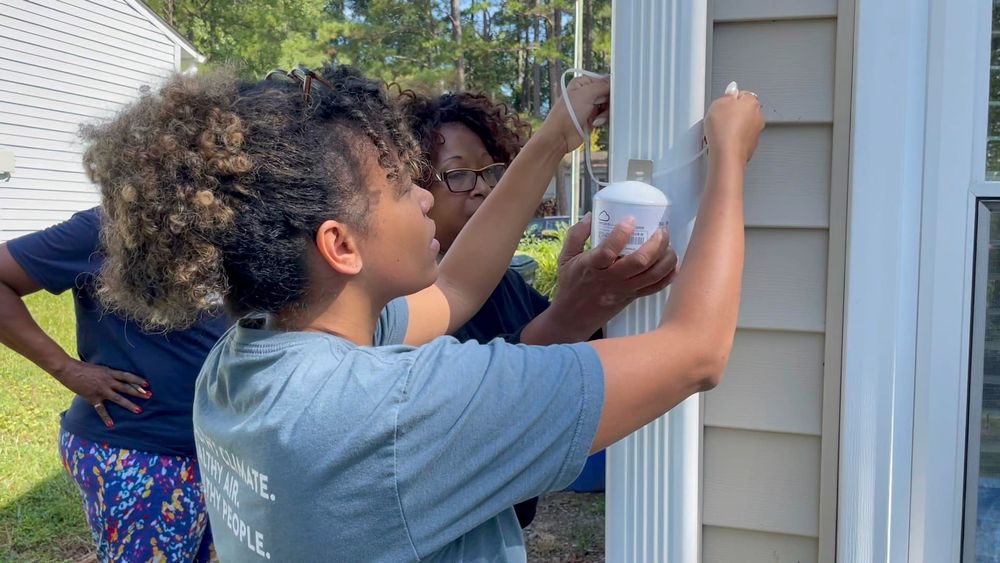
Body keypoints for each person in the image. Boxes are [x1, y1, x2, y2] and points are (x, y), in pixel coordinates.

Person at [87, 63, 763, 561]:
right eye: (396, 184)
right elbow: (696, 349)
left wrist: (555, 138)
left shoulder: (245, 362)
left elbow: (458, 290)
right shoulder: (388, 413)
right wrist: (728, 158)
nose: (421, 196)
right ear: (340, 245)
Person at [402, 90, 679, 526]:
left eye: (490, 170)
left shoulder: (505, 282)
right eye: (457, 174)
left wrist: (597, 295)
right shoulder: (401, 301)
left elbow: (572, 354)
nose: (482, 186)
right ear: (411, 187)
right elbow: (490, 397)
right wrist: (573, 312)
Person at [0, 207, 227, 562]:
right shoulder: (106, 227)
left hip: (217, 449)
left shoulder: (231, 226)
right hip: (140, 451)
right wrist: (67, 370)